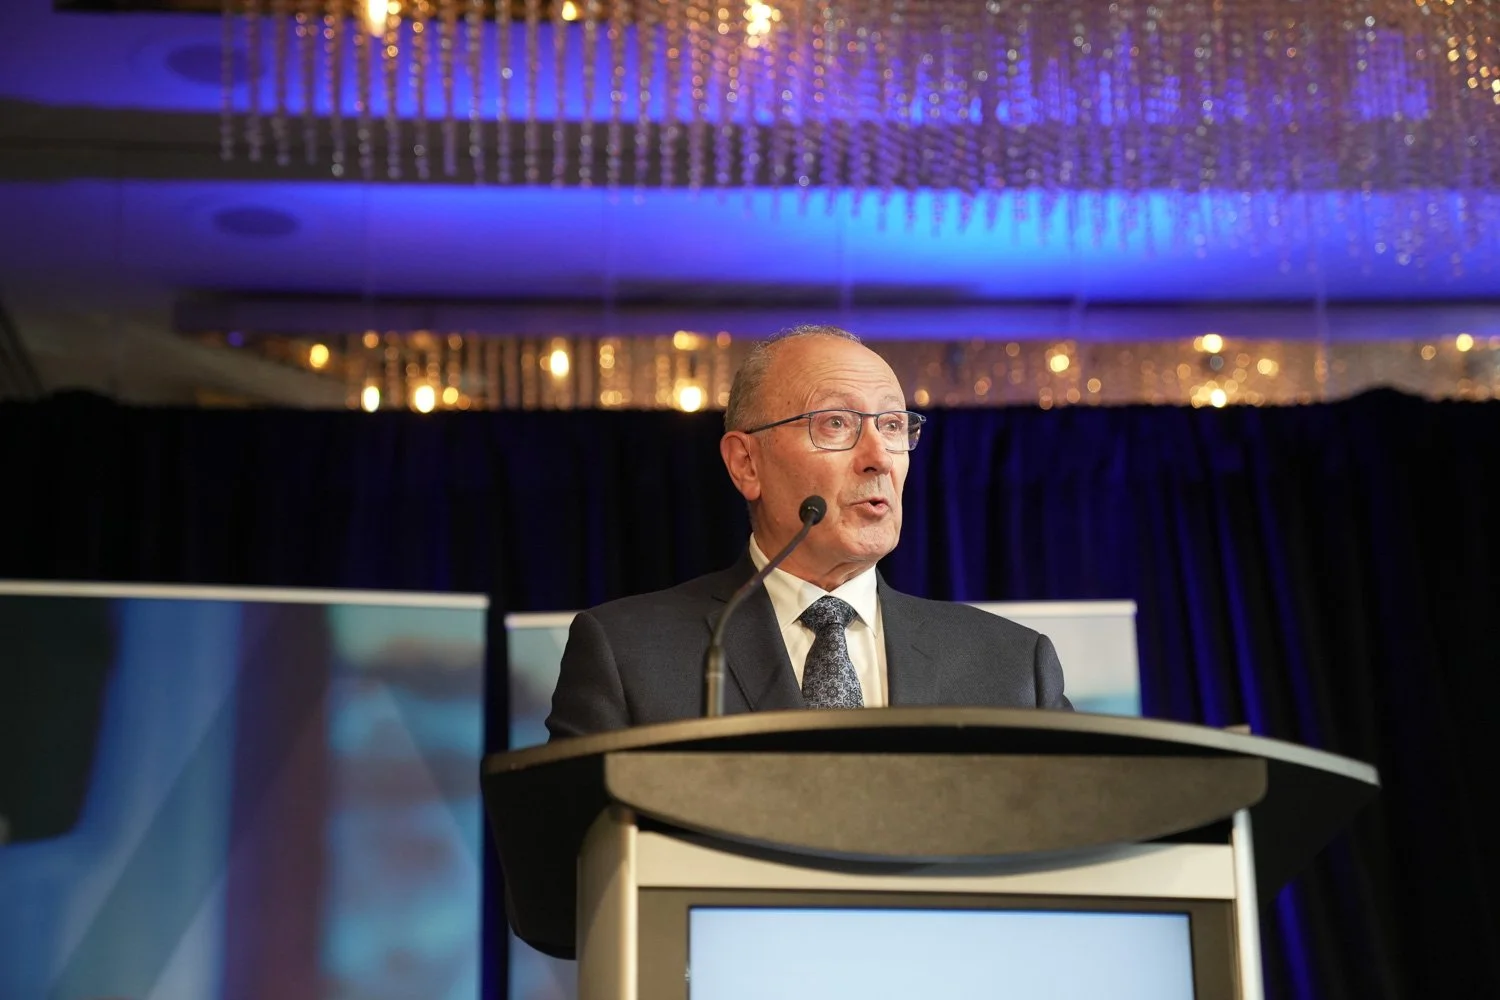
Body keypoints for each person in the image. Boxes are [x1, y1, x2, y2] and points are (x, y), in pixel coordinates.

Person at [546, 326, 1069, 739]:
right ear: (746, 464)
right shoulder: (630, 655)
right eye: (836, 423)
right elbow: (575, 844)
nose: (879, 458)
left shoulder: (1011, 668)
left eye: (892, 426)